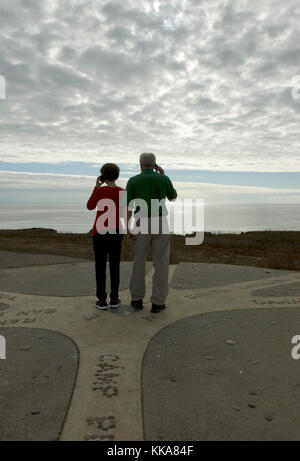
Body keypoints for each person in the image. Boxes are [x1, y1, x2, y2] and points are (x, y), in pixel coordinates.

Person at [125, 153, 177, 313]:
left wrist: (128, 227)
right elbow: (173, 197)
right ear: (155, 164)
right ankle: (158, 302)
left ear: (140, 164)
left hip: (141, 222)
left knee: (138, 261)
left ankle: (137, 299)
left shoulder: (133, 180)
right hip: (161, 221)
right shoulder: (163, 178)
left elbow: (127, 206)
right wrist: (163, 177)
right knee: (161, 263)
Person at [86, 163, 125, 310]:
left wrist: (96, 187)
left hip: (100, 232)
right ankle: (114, 299)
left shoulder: (100, 191)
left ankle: (101, 300)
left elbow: (90, 206)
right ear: (117, 175)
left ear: (103, 175)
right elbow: (126, 211)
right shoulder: (122, 191)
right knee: (115, 266)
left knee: (100, 266)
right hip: (116, 231)